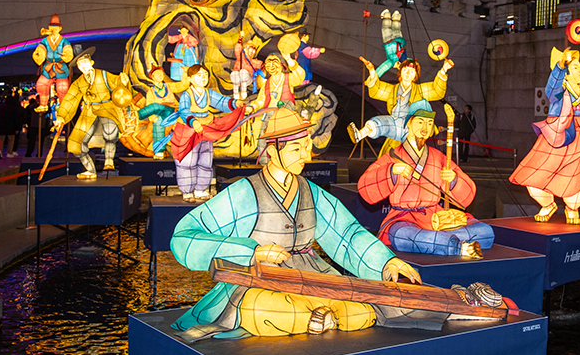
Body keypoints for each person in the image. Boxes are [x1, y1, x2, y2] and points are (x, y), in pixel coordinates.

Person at [170, 108, 446, 340]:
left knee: (364, 306)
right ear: (273, 150)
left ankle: (318, 316)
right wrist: (250, 252)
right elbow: (183, 237)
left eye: (307, 146)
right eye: (297, 148)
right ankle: (320, 316)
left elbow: (346, 235)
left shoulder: (310, 192)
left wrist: (386, 262)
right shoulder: (244, 193)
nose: (307, 155)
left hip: (313, 274)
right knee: (261, 309)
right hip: (261, 278)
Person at [358, 101, 494, 258]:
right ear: (408, 124)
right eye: (420, 122)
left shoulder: (439, 157)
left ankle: (441, 242)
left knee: (485, 232)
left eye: (429, 123)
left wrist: (454, 180)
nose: (425, 128)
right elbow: (364, 187)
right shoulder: (393, 156)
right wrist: (391, 172)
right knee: (402, 236)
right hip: (404, 219)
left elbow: (468, 194)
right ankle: (458, 247)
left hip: (435, 218)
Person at [509, 38, 580, 224]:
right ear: (566, 74)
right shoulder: (558, 93)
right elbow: (551, 88)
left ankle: (572, 208)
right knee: (535, 175)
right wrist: (560, 65)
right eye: (575, 67)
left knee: (577, 178)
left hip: (579, 139)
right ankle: (548, 204)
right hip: (555, 138)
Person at [54, 48, 133, 180]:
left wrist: (123, 82)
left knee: (110, 131)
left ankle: (109, 161)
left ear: (91, 62)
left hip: (107, 108)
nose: (82, 66)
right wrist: (61, 116)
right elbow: (70, 99)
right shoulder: (78, 83)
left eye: (84, 62)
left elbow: (117, 83)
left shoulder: (103, 75)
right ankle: (90, 170)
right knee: (76, 143)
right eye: (80, 64)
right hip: (89, 112)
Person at [170, 65, 244, 201]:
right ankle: (187, 191)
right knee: (188, 161)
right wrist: (193, 122)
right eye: (199, 75)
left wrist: (235, 103)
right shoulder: (187, 94)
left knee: (205, 159)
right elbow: (184, 110)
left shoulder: (208, 93)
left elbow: (221, 101)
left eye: (205, 74)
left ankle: (200, 189)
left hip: (205, 130)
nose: (203, 77)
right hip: (189, 130)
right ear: (190, 79)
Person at [347, 58, 452, 147]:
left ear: (415, 75)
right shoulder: (392, 90)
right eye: (405, 70)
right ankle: (359, 135)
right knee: (378, 122)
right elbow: (377, 90)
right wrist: (372, 71)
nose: (407, 73)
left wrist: (444, 69)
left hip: (411, 127)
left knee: (409, 152)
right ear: (400, 72)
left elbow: (436, 90)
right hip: (394, 123)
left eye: (411, 71)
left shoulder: (420, 90)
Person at [135, 66, 188, 158]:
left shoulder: (169, 86)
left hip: (170, 111)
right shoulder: (151, 91)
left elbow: (183, 85)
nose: (160, 75)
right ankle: (159, 152)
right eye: (157, 74)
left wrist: (185, 73)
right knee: (158, 123)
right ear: (153, 77)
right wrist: (152, 117)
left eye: (161, 73)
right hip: (160, 115)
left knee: (155, 106)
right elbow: (149, 103)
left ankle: (139, 114)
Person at [32, 14, 74, 113]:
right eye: (51, 27)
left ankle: (63, 106)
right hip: (48, 66)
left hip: (60, 67)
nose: (53, 30)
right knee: (41, 84)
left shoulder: (63, 41)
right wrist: (38, 54)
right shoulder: (45, 40)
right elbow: (41, 49)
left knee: (62, 87)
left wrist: (66, 55)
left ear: (60, 29)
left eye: (56, 28)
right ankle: (43, 104)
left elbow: (68, 50)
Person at [230, 33, 262, 100]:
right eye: (250, 49)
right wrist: (241, 38)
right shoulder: (240, 57)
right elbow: (237, 48)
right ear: (245, 49)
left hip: (247, 80)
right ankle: (236, 93)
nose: (252, 51)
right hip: (237, 79)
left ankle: (243, 92)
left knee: (243, 72)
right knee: (235, 73)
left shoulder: (253, 62)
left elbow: (261, 65)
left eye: (254, 50)